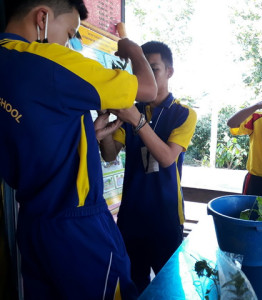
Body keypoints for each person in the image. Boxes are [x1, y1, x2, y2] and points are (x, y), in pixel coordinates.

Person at [0, 0, 157, 299]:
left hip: (32, 225)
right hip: (78, 227)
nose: (68, 43)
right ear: (42, 17)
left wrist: (83, 134)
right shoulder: (48, 60)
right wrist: (132, 48)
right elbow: (147, 90)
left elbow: (32, 130)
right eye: (70, 31)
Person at [98, 41, 197, 294]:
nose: (148, 76)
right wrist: (105, 124)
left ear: (169, 72)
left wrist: (137, 121)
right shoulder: (132, 108)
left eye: (155, 69)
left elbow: (166, 159)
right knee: (132, 287)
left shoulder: (183, 113)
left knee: (170, 288)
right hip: (131, 215)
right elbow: (109, 154)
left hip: (166, 217)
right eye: (142, 70)